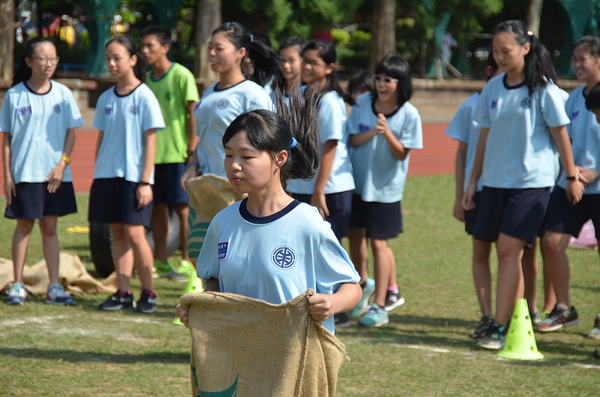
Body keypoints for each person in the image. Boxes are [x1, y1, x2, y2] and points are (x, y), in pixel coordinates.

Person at [176, 87, 362, 335]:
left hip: (292, 361)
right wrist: (200, 305)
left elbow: (352, 288)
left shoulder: (307, 223)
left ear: (280, 158)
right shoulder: (223, 222)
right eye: (229, 154)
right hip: (237, 356)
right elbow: (215, 282)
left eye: (247, 156)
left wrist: (331, 303)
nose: (234, 166)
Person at [462, 20, 584, 350]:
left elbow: (562, 137)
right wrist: (473, 183)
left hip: (532, 185)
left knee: (507, 250)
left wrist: (571, 177)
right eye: (495, 51)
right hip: (495, 184)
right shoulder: (493, 88)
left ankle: (499, 327)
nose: (500, 57)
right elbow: (483, 139)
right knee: (503, 253)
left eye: (507, 51)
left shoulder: (542, 89)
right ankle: (511, 319)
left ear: (525, 49)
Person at [2, 36, 83, 305]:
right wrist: (8, 176)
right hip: (25, 174)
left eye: (53, 58)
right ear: (28, 61)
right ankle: (17, 285)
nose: (49, 64)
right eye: (42, 58)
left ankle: (54, 287)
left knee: (50, 227)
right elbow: (6, 139)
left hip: (54, 174)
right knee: (24, 226)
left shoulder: (63, 93)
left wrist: (63, 164)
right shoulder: (14, 95)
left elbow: (71, 132)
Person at [346, 55, 423, 328]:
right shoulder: (362, 103)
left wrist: (387, 132)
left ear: (400, 83)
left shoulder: (409, 113)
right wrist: (374, 132)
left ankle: (381, 305)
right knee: (355, 237)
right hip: (356, 184)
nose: (381, 84)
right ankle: (361, 287)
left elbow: (403, 154)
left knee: (379, 243)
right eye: (378, 78)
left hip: (385, 190)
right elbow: (353, 139)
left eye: (387, 79)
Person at [91, 35, 165, 313]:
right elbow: (101, 138)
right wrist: (98, 173)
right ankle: (123, 292)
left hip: (135, 178)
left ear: (133, 60)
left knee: (135, 233)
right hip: (107, 176)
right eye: (108, 58)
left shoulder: (145, 95)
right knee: (117, 232)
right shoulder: (105, 98)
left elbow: (151, 141)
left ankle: (149, 292)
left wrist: (146, 181)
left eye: (117, 57)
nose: (111, 63)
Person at [540, 36, 600, 334]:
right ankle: (564, 308)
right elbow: (565, 141)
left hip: (596, 186)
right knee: (551, 242)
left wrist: (594, 173)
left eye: (583, 59)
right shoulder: (573, 98)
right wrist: (572, 175)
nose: (576, 64)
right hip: (571, 184)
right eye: (573, 58)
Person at [446, 55, 502, 337]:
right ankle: (487, 315)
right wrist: (459, 195)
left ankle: (518, 313)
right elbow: (461, 153)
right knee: (481, 252)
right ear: (490, 70)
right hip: (477, 193)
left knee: (514, 254)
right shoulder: (470, 106)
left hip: (509, 189)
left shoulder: (518, 102)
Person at [180, 22, 273, 185]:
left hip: (238, 188)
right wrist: (192, 165)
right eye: (210, 47)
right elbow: (202, 136)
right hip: (208, 186)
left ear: (240, 53)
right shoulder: (208, 93)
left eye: (219, 48)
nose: (212, 53)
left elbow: (268, 146)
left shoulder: (253, 94)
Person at [140, 25, 200, 278]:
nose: (144, 51)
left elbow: (192, 113)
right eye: (142, 47)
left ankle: (187, 260)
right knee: (157, 209)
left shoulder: (181, 75)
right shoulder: (145, 79)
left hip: (177, 154)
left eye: (149, 46)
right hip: (153, 156)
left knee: (182, 209)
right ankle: (162, 261)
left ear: (165, 48)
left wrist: (192, 145)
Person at [286, 40, 355, 242]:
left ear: (329, 68)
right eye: (304, 61)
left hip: (329, 189)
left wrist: (319, 191)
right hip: (300, 185)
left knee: (328, 248)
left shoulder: (330, 101)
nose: (307, 67)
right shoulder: (298, 94)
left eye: (313, 63)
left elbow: (329, 146)